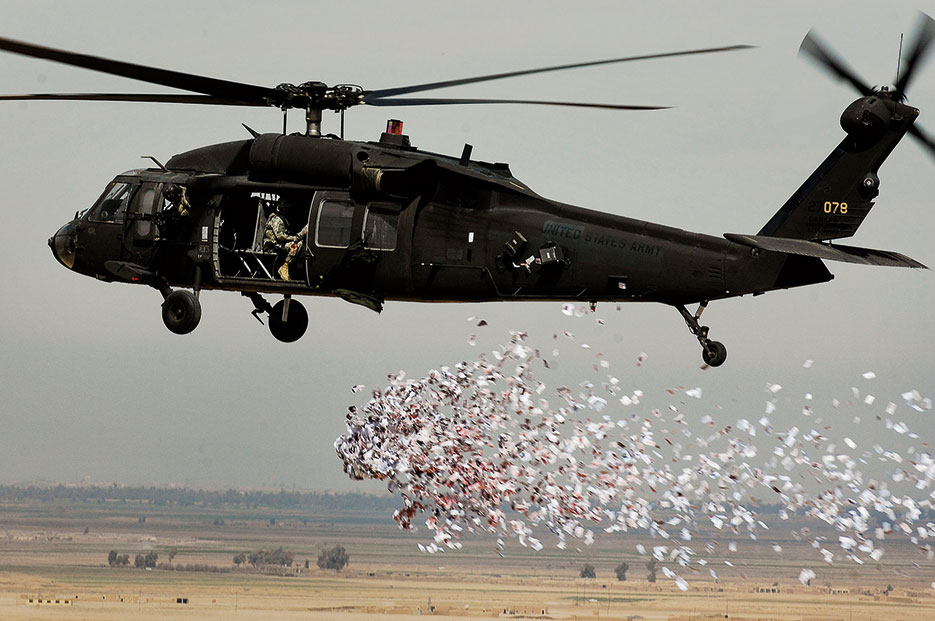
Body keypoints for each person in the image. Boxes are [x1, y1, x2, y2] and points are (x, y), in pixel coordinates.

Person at [263, 200, 308, 281]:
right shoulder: (277, 219)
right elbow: (280, 236)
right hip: (272, 244)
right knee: (297, 245)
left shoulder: (283, 219)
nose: (288, 210)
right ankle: (285, 266)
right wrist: (294, 238)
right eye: (286, 208)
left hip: (278, 243)